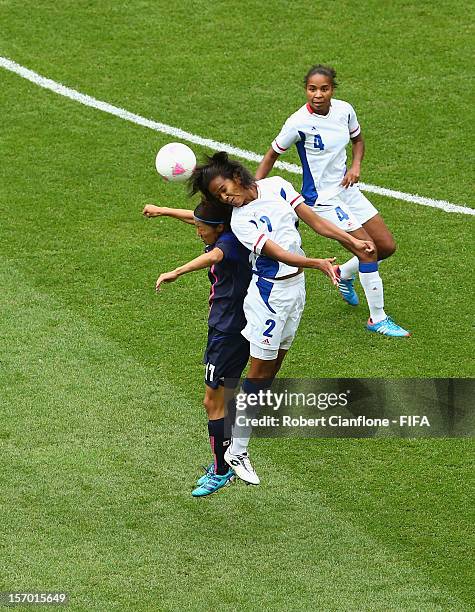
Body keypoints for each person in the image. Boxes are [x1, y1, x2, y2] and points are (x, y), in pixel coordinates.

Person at [190, 151, 374, 484]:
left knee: (271, 371)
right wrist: (316, 262)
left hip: (295, 292)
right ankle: (237, 450)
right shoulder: (241, 220)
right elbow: (277, 253)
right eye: (219, 196)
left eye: (225, 188)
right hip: (268, 296)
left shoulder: (277, 185)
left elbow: (315, 221)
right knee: (259, 372)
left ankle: (237, 443)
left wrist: (353, 241)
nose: (226, 197)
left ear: (236, 174)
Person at [255, 64, 410, 337]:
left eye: (323, 89)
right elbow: (272, 154)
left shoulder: (344, 110)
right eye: (312, 89)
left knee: (385, 246)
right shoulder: (297, 122)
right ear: (306, 89)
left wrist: (356, 166)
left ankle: (343, 274)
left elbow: (358, 140)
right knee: (367, 250)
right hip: (322, 200)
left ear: (332, 90)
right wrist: (255, 189)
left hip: (346, 190)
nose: (317, 94)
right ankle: (377, 319)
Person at [143, 199, 251, 497]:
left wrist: (176, 271)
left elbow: (213, 256)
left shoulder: (226, 245)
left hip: (227, 330)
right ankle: (226, 459)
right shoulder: (229, 229)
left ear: (218, 227)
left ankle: (222, 469)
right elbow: (195, 218)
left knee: (212, 402)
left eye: (202, 229)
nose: (197, 231)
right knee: (222, 398)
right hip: (236, 323)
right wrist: (163, 211)